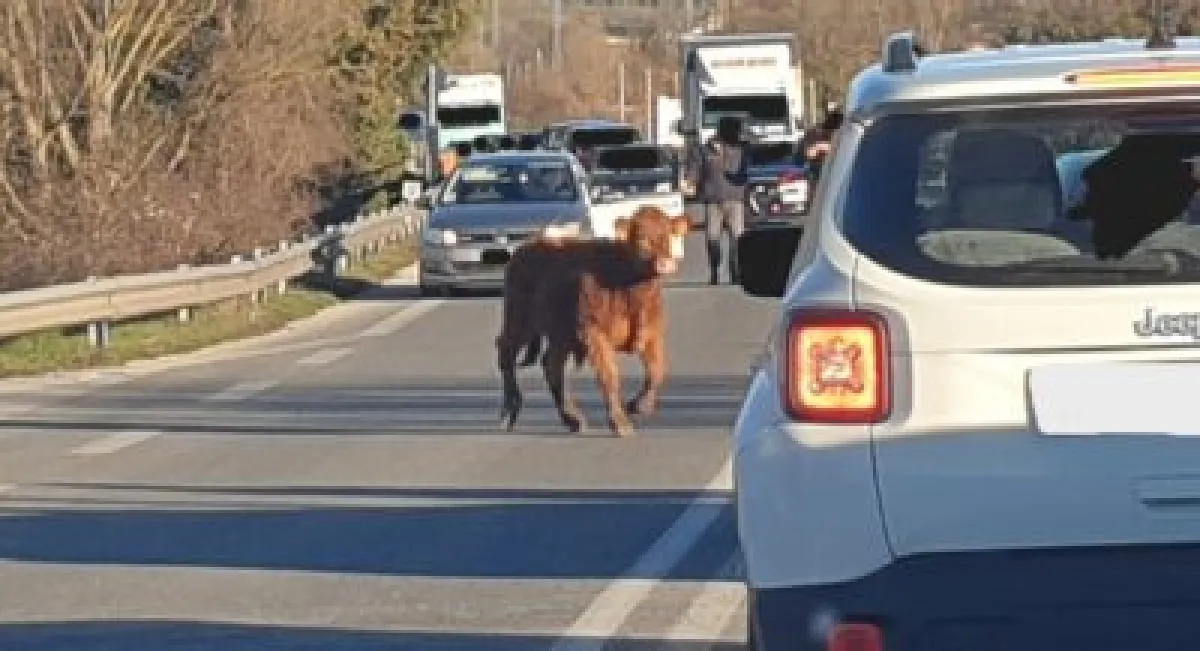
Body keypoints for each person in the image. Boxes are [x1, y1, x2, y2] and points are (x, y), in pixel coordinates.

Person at [691, 115, 749, 285]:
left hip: (735, 199)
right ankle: (714, 270)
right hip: (713, 200)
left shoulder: (743, 148)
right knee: (712, 238)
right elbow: (696, 169)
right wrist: (691, 181)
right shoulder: (705, 149)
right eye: (735, 129)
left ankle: (736, 273)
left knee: (737, 239)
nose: (737, 133)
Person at [799, 102, 845, 182]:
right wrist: (819, 147)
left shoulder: (844, 134)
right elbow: (808, 154)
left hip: (837, 173)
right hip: (818, 173)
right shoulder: (814, 134)